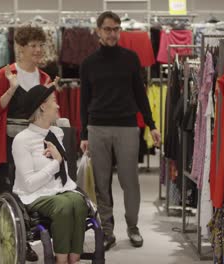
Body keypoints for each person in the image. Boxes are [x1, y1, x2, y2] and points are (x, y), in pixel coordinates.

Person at [79, 11, 162, 250]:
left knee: (130, 182)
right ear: (98, 31)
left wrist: (152, 125)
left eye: (116, 29)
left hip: (127, 126)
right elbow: (84, 101)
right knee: (101, 183)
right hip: (97, 127)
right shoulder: (88, 64)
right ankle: (107, 230)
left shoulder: (131, 59)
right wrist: (84, 135)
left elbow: (140, 93)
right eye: (107, 29)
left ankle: (132, 226)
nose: (112, 33)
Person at [0, 25, 59, 261]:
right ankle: (6, 242)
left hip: (36, 146)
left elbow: (49, 115)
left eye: (41, 45)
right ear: (20, 48)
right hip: (9, 145)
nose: (38, 50)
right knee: (9, 191)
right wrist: (11, 89)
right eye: (33, 45)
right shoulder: (6, 74)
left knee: (34, 192)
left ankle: (27, 240)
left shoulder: (45, 77)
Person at [12, 84, 88, 264]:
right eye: (54, 101)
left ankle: (73, 258)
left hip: (60, 188)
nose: (58, 106)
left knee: (79, 202)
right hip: (34, 194)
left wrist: (59, 160)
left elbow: (65, 172)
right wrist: (56, 163)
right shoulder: (22, 140)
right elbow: (29, 184)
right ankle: (61, 260)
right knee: (63, 206)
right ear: (42, 106)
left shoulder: (57, 133)